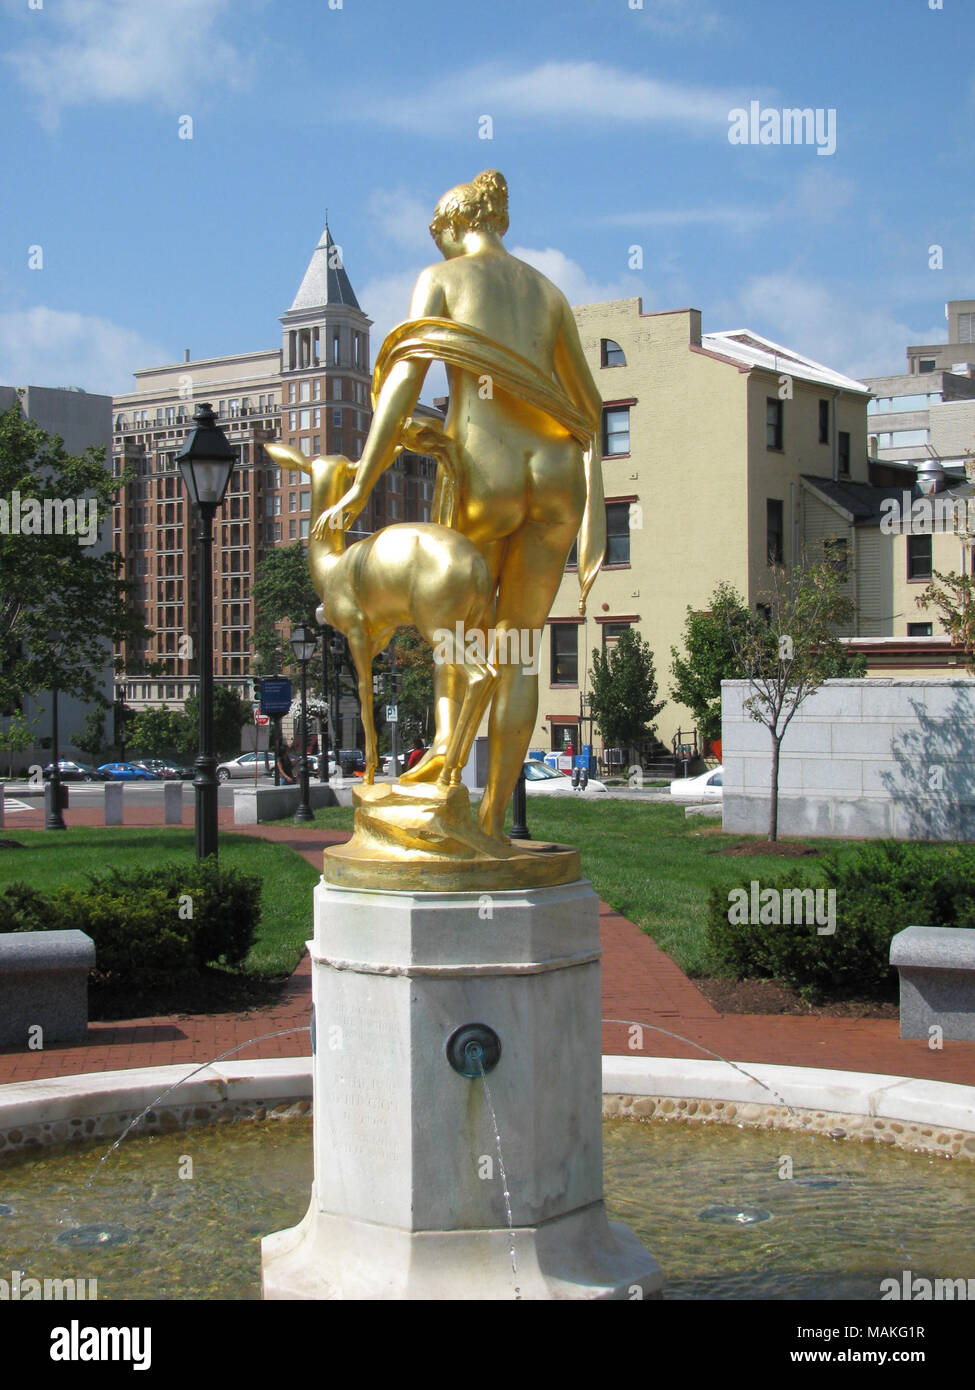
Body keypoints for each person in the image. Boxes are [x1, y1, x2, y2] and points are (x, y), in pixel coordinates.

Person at [312, 170, 605, 841]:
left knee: (462, 635)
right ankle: (493, 822)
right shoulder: (548, 291)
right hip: (558, 474)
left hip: (488, 469)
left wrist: (363, 478)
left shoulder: (439, 279)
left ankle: (449, 783)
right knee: (520, 649)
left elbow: (401, 385)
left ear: (449, 225)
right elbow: (583, 404)